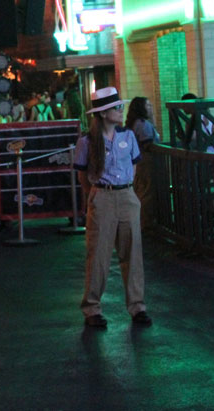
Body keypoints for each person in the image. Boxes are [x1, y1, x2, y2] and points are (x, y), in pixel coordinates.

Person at [73, 87, 150, 329]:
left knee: (133, 253)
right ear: (104, 113)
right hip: (103, 197)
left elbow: (134, 168)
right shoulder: (87, 141)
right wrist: (97, 195)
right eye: (116, 107)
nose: (120, 110)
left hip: (126, 195)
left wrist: (126, 190)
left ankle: (137, 306)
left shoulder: (128, 137)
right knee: (98, 255)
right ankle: (92, 308)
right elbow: (83, 176)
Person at [125, 98, 160, 231]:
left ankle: (142, 221)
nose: (151, 107)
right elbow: (148, 145)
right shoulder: (143, 124)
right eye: (148, 105)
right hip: (146, 163)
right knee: (147, 192)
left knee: (141, 190)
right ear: (141, 108)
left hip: (139, 163)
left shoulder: (135, 123)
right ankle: (145, 222)